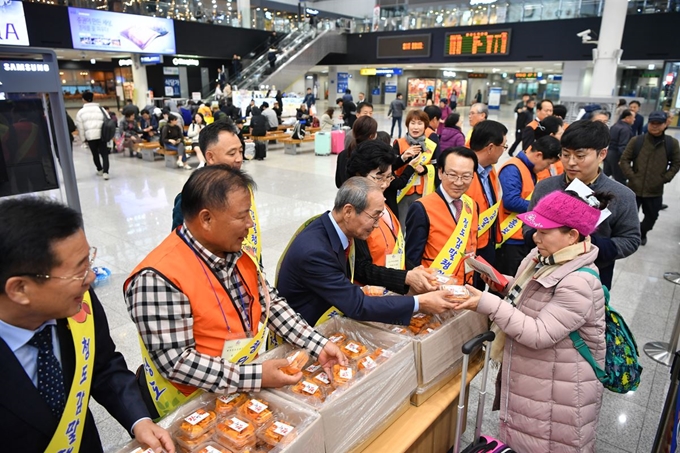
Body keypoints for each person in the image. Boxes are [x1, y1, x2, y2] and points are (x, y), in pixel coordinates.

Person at [127, 166, 346, 418]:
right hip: (188, 406)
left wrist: (317, 344)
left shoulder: (236, 253)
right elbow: (177, 363)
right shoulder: (157, 278)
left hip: (237, 388)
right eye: (242, 216)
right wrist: (256, 376)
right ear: (206, 219)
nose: (250, 224)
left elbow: (270, 303)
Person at [0, 198, 174, 452]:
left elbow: (102, 365)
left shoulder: (77, 302)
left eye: (88, 261)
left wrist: (139, 419)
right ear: (20, 289)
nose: (91, 277)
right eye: (78, 270)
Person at [453, 190, 609, 453]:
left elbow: (538, 333)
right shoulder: (541, 260)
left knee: (545, 442)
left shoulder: (579, 282)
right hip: (537, 376)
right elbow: (527, 295)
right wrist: (502, 284)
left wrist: (487, 303)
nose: (535, 237)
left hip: (559, 390)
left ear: (572, 235)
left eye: (544, 232)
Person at [276, 177, 460, 326]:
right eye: (374, 216)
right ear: (348, 211)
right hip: (306, 328)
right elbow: (357, 305)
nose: (377, 224)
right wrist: (420, 303)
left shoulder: (334, 229)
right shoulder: (314, 252)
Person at [523, 120, 641, 289]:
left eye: (580, 156)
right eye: (565, 154)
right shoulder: (546, 187)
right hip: (542, 271)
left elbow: (630, 239)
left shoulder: (622, 195)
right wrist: (536, 237)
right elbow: (529, 225)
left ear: (602, 154)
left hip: (591, 277)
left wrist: (591, 246)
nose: (571, 162)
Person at [344, 141, 441, 294]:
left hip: (393, 293)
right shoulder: (354, 214)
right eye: (378, 177)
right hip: (371, 298)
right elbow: (361, 268)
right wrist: (405, 277)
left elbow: (395, 250)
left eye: (388, 177)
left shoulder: (385, 206)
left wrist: (415, 270)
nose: (384, 185)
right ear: (358, 176)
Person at [405, 147, 479, 285]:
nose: (458, 182)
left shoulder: (472, 205)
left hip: (465, 290)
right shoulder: (422, 208)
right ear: (440, 172)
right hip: (434, 291)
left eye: (466, 176)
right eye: (452, 175)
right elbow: (411, 260)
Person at [496, 136, 562, 277]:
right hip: (509, 238)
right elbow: (510, 201)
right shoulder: (513, 168)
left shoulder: (527, 169)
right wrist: (542, 206)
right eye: (546, 164)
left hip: (520, 234)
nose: (545, 169)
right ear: (539, 155)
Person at [619, 110, 680, 246]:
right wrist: (632, 177)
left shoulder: (671, 143)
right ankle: (630, 236)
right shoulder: (637, 141)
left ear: (665, 124)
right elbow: (624, 160)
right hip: (634, 187)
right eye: (653, 123)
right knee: (628, 216)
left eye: (659, 123)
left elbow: (676, 163)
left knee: (652, 217)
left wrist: (664, 178)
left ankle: (642, 232)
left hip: (655, 190)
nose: (655, 126)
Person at [466, 120, 508, 279]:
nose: (504, 151)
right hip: (468, 248)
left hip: (486, 242)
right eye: (503, 146)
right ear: (490, 147)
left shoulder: (490, 171)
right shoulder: (463, 174)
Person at [393, 109, 440, 226]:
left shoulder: (431, 145)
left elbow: (436, 167)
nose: (415, 127)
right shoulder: (398, 143)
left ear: (425, 126)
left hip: (422, 192)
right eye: (412, 123)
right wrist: (403, 157)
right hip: (402, 192)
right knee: (401, 226)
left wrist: (425, 169)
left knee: (419, 226)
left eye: (419, 123)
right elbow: (391, 166)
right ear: (407, 125)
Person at [75, 91, 111, 180]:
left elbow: (81, 127)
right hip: (102, 135)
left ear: (83, 100)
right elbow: (108, 120)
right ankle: (106, 172)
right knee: (104, 154)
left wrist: (83, 139)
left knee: (95, 154)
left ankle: (99, 169)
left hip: (90, 136)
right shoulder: (101, 109)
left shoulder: (81, 112)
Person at [335, 116, 378, 188]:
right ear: (372, 136)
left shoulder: (342, 154)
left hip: (347, 196)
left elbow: (338, 183)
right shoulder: (373, 156)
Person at [606, 109, 635, 184]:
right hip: (617, 156)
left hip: (609, 153)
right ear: (628, 117)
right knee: (620, 179)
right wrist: (623, 159)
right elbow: (623, 146)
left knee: (605, 176)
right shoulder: (625, 130)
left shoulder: (615, 126)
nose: (634, 119)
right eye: (633, 117)